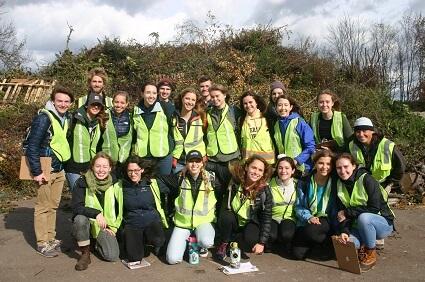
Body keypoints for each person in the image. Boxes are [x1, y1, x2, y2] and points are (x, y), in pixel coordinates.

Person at [24, 85, 73, 257]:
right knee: (42, 207)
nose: (63, 104)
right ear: (53, 101)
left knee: (53, 206)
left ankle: (51, 238)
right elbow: (32, 147)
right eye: (59, 100)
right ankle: (42, 242)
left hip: (59, 169)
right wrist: (37, 172)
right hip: (45, 169)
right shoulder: (44, 118)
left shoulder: (64, 118)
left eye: (66, 101)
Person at [335, 153, 395, 271]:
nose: (342, 171)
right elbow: (342, 214)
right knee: (348, 244)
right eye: (339, 168)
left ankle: (370, 252)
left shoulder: (367, 179)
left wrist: (347, 213)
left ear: (354, 166)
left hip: (382, 223)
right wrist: (345, 232)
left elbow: (374, 208)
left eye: (346, 166)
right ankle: (361, 245)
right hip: (358, 226)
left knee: (364, 218)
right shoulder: (339, 183)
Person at [159, 150, 219, 264]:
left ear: (202, 163)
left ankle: (201, 245)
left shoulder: (212, 178)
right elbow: (160, 179)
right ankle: (190, 241)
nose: (194, 164)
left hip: (203, 222)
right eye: (191, 161)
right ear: (186, 163)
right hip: (183, 224)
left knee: (206, 241)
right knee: (172, 259)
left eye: (197, 161)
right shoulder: (179, 177)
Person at [72, 152, 123, 271]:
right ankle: (85, 253)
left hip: (107, 226)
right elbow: (76, 207)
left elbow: (119, 208)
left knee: (112, 256)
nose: (101, 170)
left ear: (110, 168)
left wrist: (114, 228)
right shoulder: (82, 182)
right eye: (98, 166)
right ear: (92, 167)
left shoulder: (116, 182)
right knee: (79, 219)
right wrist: (96, 213)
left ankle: (95, 242)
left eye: (105, 167)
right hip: (89, 223)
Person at [216, 155, 273, 259]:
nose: (256, 172)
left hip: (249, 221)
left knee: (251, 239)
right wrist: (186, 167)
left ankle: (235, 243)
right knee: (226, 217)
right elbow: (214, 167)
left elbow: (267, 217)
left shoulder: (265, 190)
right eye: (254, 168)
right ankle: (224, 242)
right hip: (232, 218)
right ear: (247, 167)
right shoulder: (235, 179)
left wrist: (262, 243)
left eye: (260, 170)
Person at [121, 156, 168, 266]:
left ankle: (148, 240)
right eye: (130, 171)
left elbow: (174, 187)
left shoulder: (152, 183)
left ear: (142, 169)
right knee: (134, 258)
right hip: (132, 223)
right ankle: (133, 240)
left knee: (159, 240)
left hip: (151, 220)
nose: (133, 174)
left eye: (136, 170)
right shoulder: (120, 186)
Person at [293, 150, 336, 260]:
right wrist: (309, 217)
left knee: (311, 232)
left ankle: (328, 242)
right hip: (308, 218)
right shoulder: (305, 181)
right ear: (315, 163)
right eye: (321, 163)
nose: (324, 167)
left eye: (328, 164)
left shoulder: (336, 182)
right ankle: (317, 243)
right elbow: (299, 206)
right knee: (298, 254)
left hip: (327, 218)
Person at [66, 93, 108, 191]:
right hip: (74, 167)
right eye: (93, 104)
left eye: (99, 105)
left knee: (89, 196)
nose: (96, 107)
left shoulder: (100, 122)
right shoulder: (74, 118)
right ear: (87, 105)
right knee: (77, 194)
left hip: (90, 167)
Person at [348, 117, 405, 187]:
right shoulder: (352, 145)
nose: (361, 134)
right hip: (363, 184)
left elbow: (400, 166)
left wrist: (391, 183)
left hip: (383, 185)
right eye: (358, 132)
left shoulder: (387, 145)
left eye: (364, 131)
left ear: (372, 131)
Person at [132, 82, 174, 175]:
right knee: (146, 185)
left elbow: (174, 131)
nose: (151, 96)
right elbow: (133, 135)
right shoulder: (135, 111)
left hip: (164, 157)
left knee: (163, 186)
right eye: (148, 92)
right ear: (142, 94)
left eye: (154, 93)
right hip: (144, 158)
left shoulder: (167, 108)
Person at [205, 84, 240, 191]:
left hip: (231, 159)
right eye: (212, 97)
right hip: (213, 160)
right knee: (215, 191)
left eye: (217, 96)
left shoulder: (234, 111)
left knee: (232, 190)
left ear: (224, 95)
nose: (215, 99)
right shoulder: (207, 113)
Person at [272, 93, 315, 172]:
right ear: (275, 108)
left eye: (286, 105)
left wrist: (297, 161)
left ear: (291, 107)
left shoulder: (299, 122)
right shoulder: (276, 125)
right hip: (284, 170)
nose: (283, 108)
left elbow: (310, 146)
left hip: (301, 169)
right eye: (280, 105)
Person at [172, 88, 206, 173]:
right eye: (187, 98)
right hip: (179, 161)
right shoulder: (173, 118)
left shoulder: (201, 117)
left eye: (193, 100)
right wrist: (174, 157)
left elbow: (207, 137)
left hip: (197, 161)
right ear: (182, 99)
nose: (190, 102)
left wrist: (204, 155)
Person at [268, 155, 298, 253]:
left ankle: (284, 240)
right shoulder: (269, 184)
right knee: (271, 235)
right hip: (272, 217)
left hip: (289, 217)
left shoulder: (298, 184)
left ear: (293, 170)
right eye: (280, 168)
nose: (283, 171)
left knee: (287, 234)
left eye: (287, 168)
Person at [239, 91, 275, 164]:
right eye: (245, 103)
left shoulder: (267, 118)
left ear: (256, 103)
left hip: (267, 163)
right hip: (249, 163)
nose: (248, 105)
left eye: (250, 102)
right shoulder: (241, 120)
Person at [101, 91, 132, 174]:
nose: (119, 105)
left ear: (127, 104)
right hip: (106, 161)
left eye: (122, 103)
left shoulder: (131, 118)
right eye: (116, 102)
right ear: (112, 102)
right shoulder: (104, 115)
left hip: (124, 162)